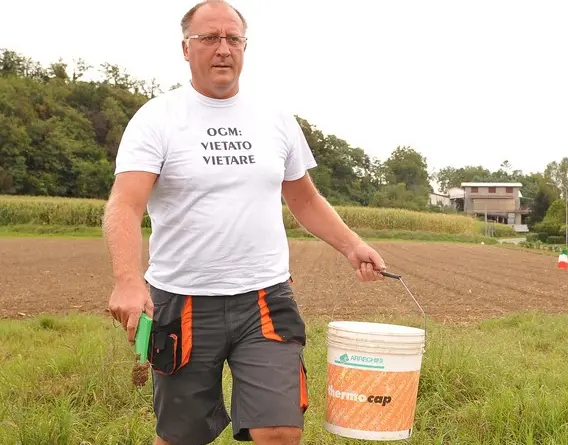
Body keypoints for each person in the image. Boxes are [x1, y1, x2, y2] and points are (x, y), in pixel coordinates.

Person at [101, 1, 387, 444]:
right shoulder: (157, 118)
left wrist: (352, 246)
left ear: (244, 47)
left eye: (233, 39)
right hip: (184, 300)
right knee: (182, 437)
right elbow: (125, 204)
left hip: (265, 299)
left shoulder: (274, 117)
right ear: (185, 48)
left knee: (279, 432)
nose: (222, 49)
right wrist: (126, 280)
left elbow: (304, 198)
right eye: (209, 38)